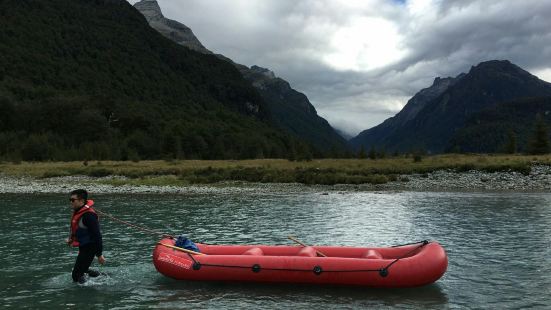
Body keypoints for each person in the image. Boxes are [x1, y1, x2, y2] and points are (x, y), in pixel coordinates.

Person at [67, 189, 106, 284]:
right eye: (70, 200)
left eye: (73, 200)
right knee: (82, 270)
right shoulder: (79, 212)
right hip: (84, 246)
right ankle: (103, 276)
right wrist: (71, 240)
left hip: (90, 247)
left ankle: (87, 292)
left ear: (81, 201)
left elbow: (97, 235)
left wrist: (99, 254)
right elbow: (79, 230)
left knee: (76, 275)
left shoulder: (89, 215)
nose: (71, 202)